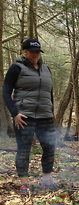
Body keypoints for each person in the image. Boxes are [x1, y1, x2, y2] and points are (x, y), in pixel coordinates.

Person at [3, 38, 57, 194]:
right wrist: (15, 113)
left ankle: (46, 179)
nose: (35, 55)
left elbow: (49, 93)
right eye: (32, 52)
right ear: (25, 52)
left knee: (49, 147)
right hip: (24, 116)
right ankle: (24, 183)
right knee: (24, 149)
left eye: (37, 52)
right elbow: (6, 92)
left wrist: (51, 110)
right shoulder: (16, 68)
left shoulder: (46, 69)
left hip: (45, 116)